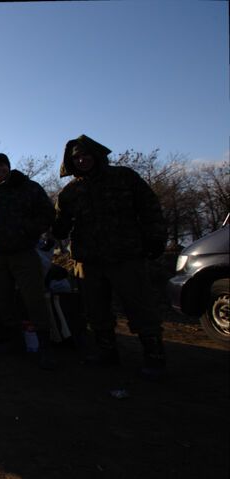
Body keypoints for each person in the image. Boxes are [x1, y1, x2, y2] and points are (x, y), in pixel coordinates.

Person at [52, 134, 167, 380]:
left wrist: (156, 237)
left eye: (86, 155)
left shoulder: (123, 177)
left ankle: (154, 356)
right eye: (77, 158)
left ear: (96, 155)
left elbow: (150, 207)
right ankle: (107, 351)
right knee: (95, 309)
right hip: (87, 260)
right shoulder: (70, 192)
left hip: (125, 255)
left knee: (140, 306)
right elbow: (59, 224)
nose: (82, 160)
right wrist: (55, 229)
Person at [0, 153, 56, 369]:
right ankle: (15, 341)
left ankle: (45, 347)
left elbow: (47, 214)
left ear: (9, 167)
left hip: (23, 253)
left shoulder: (29, 188)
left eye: (2, 165)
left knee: (33, 298)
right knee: (3, 299)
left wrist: (29, 230)